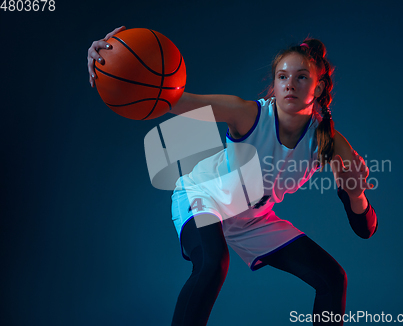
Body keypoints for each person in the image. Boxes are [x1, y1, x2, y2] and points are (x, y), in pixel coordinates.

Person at [87, 26, 378, 326]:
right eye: (283, 77)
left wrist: (356, 194)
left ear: (317, 87)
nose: (290, 84)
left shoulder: (327, 142)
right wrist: (108, 64)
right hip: (203, 195)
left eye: (301, 76)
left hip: (252, 219)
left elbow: (365, 228)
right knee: (213, 264)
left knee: (333, 278)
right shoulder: (248, 115)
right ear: (275, 86)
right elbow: (172, 99)